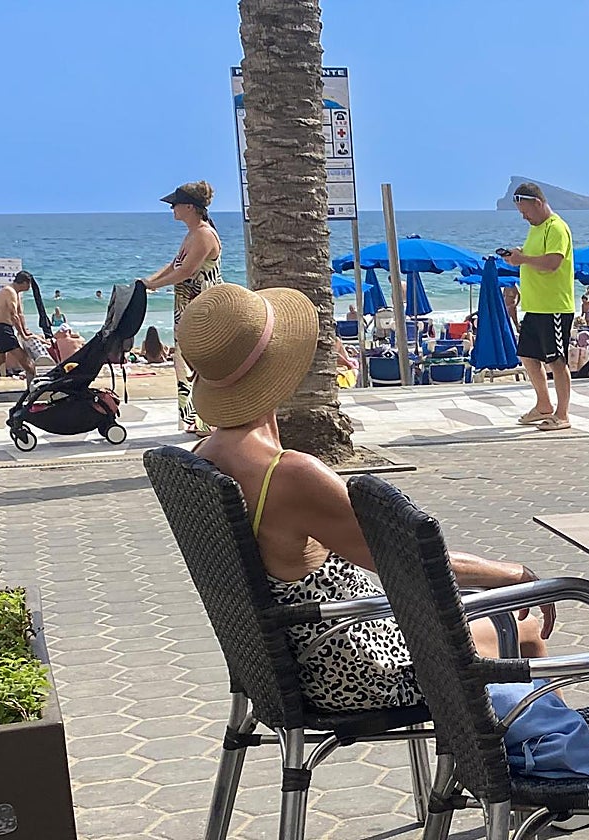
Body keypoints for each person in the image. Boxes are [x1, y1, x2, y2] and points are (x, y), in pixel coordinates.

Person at [174, 284, 552, 712]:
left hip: (289, 667)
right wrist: (513, 575)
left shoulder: (202, 460)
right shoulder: (288, 474)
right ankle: (550, 768)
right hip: (358, 669)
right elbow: (407, 563)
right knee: (525, 628)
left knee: (480, 617)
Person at [140, 180, 224, 433]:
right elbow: (174, 264)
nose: (172, 209)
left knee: (200, 363)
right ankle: (194, 419)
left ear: (189, 207)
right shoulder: (192, 234)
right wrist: (149, 281)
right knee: (185, 363)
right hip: (187, 308)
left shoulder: (204, 234)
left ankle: (207, 420)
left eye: (175, 205)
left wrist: (156, 285)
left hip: (202, 308)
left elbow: (187, 271)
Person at [504, 183, 574, 432]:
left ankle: (562, 414)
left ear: (537, 202)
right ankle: (543, 404)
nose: (524, 216)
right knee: (527, 355)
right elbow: (536, 258)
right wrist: (519, 255)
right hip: (535, 307)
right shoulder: (535, 229)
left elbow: (553, 262)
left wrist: (523, 259)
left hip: (554, 306)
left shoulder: (556, 228)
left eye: (526, 211)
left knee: (556, 359)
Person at [0, 271, 39, 379]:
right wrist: (23, 335)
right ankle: (35, 390)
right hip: (1, 327)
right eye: (29, 284)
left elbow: (20, 314)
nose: (30, 287)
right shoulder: (9, 292)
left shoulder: (16, 293)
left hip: (2, 327)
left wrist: (24, 330)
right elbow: (14, 315)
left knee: (1, 359)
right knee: (27, 363)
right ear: (24, 283)